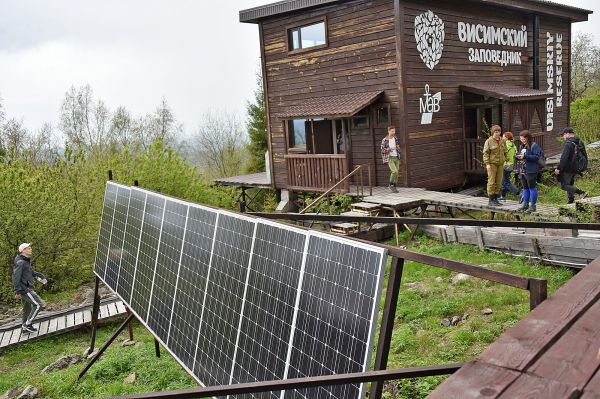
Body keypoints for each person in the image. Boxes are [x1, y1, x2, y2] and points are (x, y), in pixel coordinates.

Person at [13, 243, 47, 333]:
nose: (31, 249)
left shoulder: (25, 260)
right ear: (23, 250)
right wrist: (18, 291)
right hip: (25, 289)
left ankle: (25, 329)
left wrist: (41, 278)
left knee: (26, 309)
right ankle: (27, 324)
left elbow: (31, 272)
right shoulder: (21, 262)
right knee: (39, 305)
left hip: (25, 287)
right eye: (29, 248)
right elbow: (15, 277)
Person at [554, 127, 588, 204]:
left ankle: (581, 193)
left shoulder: (568, 144)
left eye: (563, 135)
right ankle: (571, 200)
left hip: (568, 168)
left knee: (564, 186)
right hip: (576, 167)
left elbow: (564, 158)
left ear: (568, 134)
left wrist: (558, 168)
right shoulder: (579, 141)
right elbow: (585, 155)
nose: (562, 137)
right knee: (570, 184)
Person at [516, 130, 542, 213]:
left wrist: (525, 156)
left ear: (527, 138)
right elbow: (521, 156)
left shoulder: (534, 146)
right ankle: (525, 205)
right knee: (525, 188)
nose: (522, 140)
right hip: (523, 170)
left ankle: (533, 206)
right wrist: (517, 156)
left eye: (523, 139)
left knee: (532, 187)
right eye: (521, 139)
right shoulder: (522, 146)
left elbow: (536, 157)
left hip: (531, 170)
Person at [483, 125, 507, 206]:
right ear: (493, 132)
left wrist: (507, 161)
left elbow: (505, 151)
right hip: (492, 164)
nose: (497, 133)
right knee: (491, 181)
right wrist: (487, 164)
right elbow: (485, 153)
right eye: (496, 132)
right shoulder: (489, 141)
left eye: (499, 132)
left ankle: (496, 198)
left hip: (500, 164)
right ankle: (491, 199)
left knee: (499, 181)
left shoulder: (502, 141)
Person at [498, 131, 521, 201]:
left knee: (506, 182)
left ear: (506, 137)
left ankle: (519, 194)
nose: (502, 137)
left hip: (505, 165)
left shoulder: (505, 145)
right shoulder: (513, 145)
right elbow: (516, 154)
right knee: (503, 181)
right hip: (511, 165)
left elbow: (501, 154)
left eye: (503, 136)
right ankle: (503, 196)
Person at [381, 126, 401, 193]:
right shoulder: (385, 140)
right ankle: (390, 184)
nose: (394, 132)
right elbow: (382, 150)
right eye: (392, 131)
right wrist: (391, 149)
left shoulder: (395, 138)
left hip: (396, 157)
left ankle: (394, 186)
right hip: (390, 158)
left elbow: (397, 145)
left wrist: (398, 147)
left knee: (397, 173)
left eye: (394, 131)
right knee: (394, 171)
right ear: (388, 131)